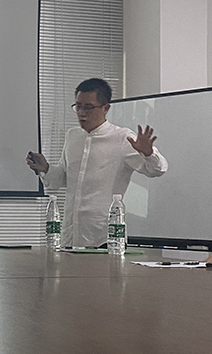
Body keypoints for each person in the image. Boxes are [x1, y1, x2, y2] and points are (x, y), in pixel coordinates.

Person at [26, 78, 168, 247]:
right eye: (78, 106)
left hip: (104, 239)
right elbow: (63, 179)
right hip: (71, 237)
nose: (81, 113)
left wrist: (148, 153)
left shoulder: (122, 138)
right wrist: (46, 168)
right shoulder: (73, 136)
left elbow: (157, 170)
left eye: (88, 107)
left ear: (105, 108)